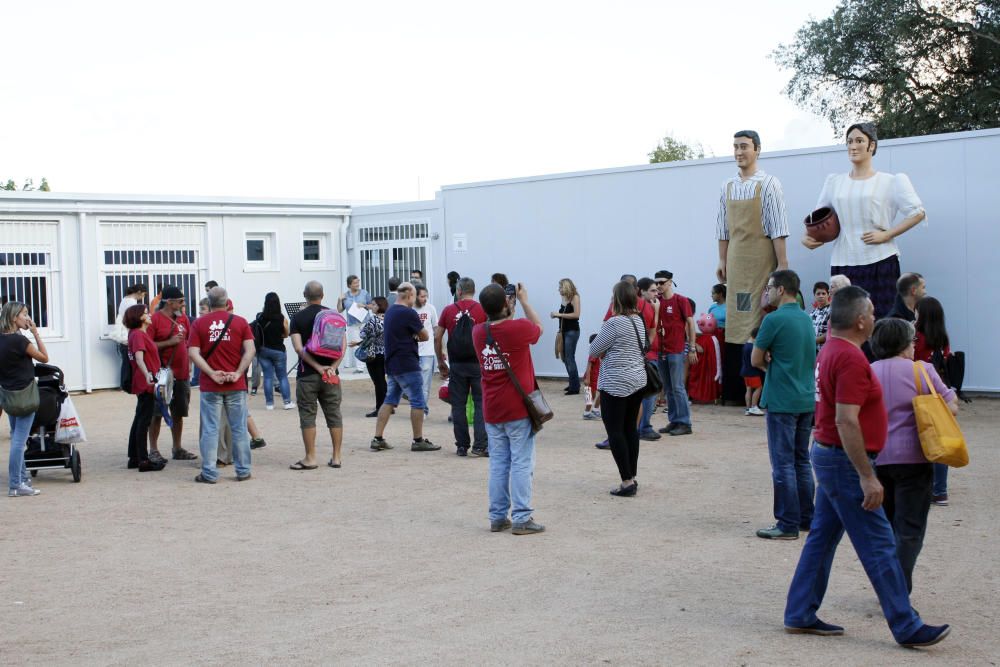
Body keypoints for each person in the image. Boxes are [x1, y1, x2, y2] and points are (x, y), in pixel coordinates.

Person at [783, 285, 951, 648]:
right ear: (860, 321)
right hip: (843, 461)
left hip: (830, 455)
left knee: (822, 539)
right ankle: (906, 625)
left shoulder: (833, 349)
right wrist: (867, 476)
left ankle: (799, 612)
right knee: (879, 545)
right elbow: (847, 421)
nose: (876, 317)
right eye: (872, 313)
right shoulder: (850, 358)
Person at [802, 122, 926, 318]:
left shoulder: (891, 181)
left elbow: (917, 212)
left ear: (872, 145)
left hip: (881, 260)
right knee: (846, 321)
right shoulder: (835, 182)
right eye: (849, 141)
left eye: (859, 140)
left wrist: (887, 234)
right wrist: (808, 238)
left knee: (883, 319)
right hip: (844, 261)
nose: (853, 146)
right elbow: (819, 217)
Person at [870, 317, 958, 592]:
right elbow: (951, 407)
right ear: (905, 343)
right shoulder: (922, 371)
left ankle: (888, 583)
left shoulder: (868, 371)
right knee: (910, 528)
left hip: (878, 458)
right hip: (916, 457)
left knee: (886, 528)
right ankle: (899, 586)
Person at [716, 130, 790, 407]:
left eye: (744, 146)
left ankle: (766, 390)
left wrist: (782, 264)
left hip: (762, 257)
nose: (739, 152)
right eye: (735, 146)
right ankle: (738, 391)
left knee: (761, 312)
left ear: (757, 149)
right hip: (737, 259)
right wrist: (722, 259)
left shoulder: (769, 183)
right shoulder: (727, 186)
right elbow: (722, 228)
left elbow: (778, 226)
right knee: (739, 315)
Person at [474, 282, 545, 534]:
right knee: (522, 463)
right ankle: (522, 517)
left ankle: (497, 516)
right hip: (517, 408)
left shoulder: (478, 332)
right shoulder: (518, 328)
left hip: (493, 409)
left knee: (499, 463)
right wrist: (524, 301)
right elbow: (538, 329)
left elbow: (501, 325)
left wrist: (506, 307)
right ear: (507, 304)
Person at [751, 270, 817, 540]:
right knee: (802, 460)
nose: (767, 292)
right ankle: (805, 518)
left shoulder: (773, 319)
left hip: (782, 398)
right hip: (805, 397)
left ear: (780, 289)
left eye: (769, 287)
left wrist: (772, 364)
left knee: (782, 463)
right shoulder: (806, 318)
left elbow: (756, 359)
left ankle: (787, 522)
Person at [188, 287, 255, 483]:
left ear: (208, 304)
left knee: (210, 429)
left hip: (211, 384)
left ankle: (209, 472)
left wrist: (210, 372)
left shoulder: (199, 324)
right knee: (239, 428)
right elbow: (250, 350)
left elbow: (193, 352)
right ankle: (243, 470)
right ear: (227, 303)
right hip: (235, 384)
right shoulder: (240, 322)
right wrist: (238, 372)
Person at [589, 281, 648, 497]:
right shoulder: (638, 320)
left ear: (616, 299)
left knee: (615, 431)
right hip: (637, 379)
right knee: (630, 429)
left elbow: (595, 350)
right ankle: (632, 474)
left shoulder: (614, 323)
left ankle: (626, 481)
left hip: (615, 382)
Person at [371, 282, 438, 452]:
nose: (415, 300)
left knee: (390, 400)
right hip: (408, 362)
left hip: (392, 363)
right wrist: (414, 335)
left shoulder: (391, 311)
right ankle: (418, 440)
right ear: (409, 295)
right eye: (414, 296)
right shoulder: (409, 313)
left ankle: (377, 438)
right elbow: (424, 335)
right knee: (418, 401)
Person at [290, 281, 345, 469]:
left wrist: (315, 366)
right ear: (322, 295)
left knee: (307, 415)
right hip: (330, 374)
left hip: (307, 374)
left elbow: (298, 348)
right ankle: (336, 457)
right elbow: (342, 347)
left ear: (305, 295)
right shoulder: (333, 315)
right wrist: (331, 367)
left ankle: (311, 457)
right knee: (334, 414)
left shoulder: (297, 318)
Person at [435, 277, 488, 456]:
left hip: (456, 363)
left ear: (458, 291)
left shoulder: (448, 310)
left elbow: (438, 336)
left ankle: (462, 446)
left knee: (458, 404)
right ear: (474, 290)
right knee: (481, 404)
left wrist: (441, 360)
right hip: (478, 362)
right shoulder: (483, 309)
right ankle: (480, 445)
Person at [1, 302, 49, 496]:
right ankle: (16, 484)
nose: (28, 318)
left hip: (7, 393)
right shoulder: (20, 342)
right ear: (14, 318)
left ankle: (22, 477)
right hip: (25, 394)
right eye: (25, 314)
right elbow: (44, 358)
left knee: (16, 436)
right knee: (19, 441)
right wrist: (36, 333)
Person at [147, 285, 197, 463]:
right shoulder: (154, 320)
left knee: (179, 411)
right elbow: (148, 346)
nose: (184, 304)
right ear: (169, 302)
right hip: (162, 374)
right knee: (157, 412)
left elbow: (189, 343)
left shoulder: (183, 319)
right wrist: (169, 342)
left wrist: (190, 363)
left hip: (182, 373)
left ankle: (177, 448)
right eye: (181, 301)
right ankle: (153, 449)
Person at [913, 296, 954, 506]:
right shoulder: (942, 337)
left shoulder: (916, 337)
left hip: (919, 393)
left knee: (921, 441)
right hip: (939, 391)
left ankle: (926, 488)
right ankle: (941, 490)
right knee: (939, 441)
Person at [122, 304, 166, 473]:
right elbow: (140, 358)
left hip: (143, 380)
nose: (150, 316)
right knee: (144, 420)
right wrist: (148, 374)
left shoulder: (135, 334)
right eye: (146, 313)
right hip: (146, 381)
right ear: (139, 317)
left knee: (140, 417)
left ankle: (135, 457)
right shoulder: (139, 335)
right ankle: (143, 459)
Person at [654, 270, 696, 436]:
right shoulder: (656, 302)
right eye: (656, 283)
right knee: (669, 388)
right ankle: (674, 420)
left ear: (670, 282)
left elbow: (691, 324)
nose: (658, 286)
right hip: (661, 350)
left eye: (661, 282)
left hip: (676, 350)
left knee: (678, 387)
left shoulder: (681, 300)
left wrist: (692, 347)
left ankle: (685, 422)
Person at [254, 292, 295, 411]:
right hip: (278, 351)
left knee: (267, 377)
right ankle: (287, 402)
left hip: (263, 350)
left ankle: (269, 404)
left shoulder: (260, 317)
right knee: (282, 377)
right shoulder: (282, 318)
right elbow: (286, 334)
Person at [633, 278, 661, 441]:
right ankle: (644, 427)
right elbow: (652, 331)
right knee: (648, 393)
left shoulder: (624, 305)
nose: (656, 294)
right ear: (640, 290)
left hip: (642, 356)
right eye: (652, 290)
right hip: (646, 356)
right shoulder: (647, 307)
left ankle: (637, 427)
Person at [354, 296, 388, 417]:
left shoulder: (373, 320)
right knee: (382, 380)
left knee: (377, 382)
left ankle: (380, 408)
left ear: (379, 306)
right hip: (385, 353)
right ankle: (387, 406)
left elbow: (363, 333)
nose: (372, 306)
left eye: (374, 305)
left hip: (373, 354)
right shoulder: (389, 319)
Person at [110, 282, 147, 392]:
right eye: (144, 295)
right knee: (128, 362)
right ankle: (126, 384)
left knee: (126, 361)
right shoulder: (131, 302)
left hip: (124, 335)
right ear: (139, 292)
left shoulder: (125, 300)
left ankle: (126, 383)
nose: (143, 297)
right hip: (127, 336)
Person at [551, 278, 582, 396]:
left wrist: (558, 314)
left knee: (569, 358)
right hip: (564, 331)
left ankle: (575, 387)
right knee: (565, 357)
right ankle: (573, 382)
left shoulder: (575, 297)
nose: (558, 289)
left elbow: (576, 314)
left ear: (566, 287)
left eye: (560, 287)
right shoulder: (564, 298)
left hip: (572, 331)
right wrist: (557, 316)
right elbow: (565, 314)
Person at [337, 275, 373, 372]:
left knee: (368, 343)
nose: (357, 284)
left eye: (358, 282)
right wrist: (339, 300)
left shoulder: (364, 293)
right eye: (355, 283)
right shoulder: (345, 296)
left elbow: (372, 306)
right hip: (352, 324)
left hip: (365, 322)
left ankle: (371, 364)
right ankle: (360, 368)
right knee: (357, 344)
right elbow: (340, 310)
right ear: (349, 285)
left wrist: (364, 305)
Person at [414, 286, 438, 415]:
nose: (425, 299)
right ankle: (417, 406)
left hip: (427, 351)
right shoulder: (410, 309)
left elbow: (435, 328)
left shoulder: (430, 308)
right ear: (415, 296)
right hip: (412, 351)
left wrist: (440, 348)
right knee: (413, 383)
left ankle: (421, 410)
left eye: (426, 296)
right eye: (422, 296)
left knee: (424, 385)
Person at [741, 328, 764, 415]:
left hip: (745, 371)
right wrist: (763, 368)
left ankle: (748, 409)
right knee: (759, 388)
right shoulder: (752, 347)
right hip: (752, 372)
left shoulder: (746, 345)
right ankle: (754, 407)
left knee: (749, 389)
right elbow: (754, 362)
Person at [582, 333, 602, 420]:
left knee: (600, 394)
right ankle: (587, 413)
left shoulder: (597, 352)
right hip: (590, 379)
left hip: (594, 379)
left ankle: (595, 410)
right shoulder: (594, 353)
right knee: (590, 398)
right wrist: (587, 378)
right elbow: (589, 365)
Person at [191, 298, 209, 388]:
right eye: (199, 309)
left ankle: (197, 380)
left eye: (203, 309)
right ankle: (197, 380)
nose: (200, 312)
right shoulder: (198, 323)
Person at [811, 282, 831, 352]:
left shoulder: (832, 311)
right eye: (818, 294)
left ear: (828, 295)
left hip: (827, 351)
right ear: (815, 296)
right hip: (814, 352)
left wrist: (814, 340)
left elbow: (832, 332)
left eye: (823, 293)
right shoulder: (812, 313)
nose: (821, 296)